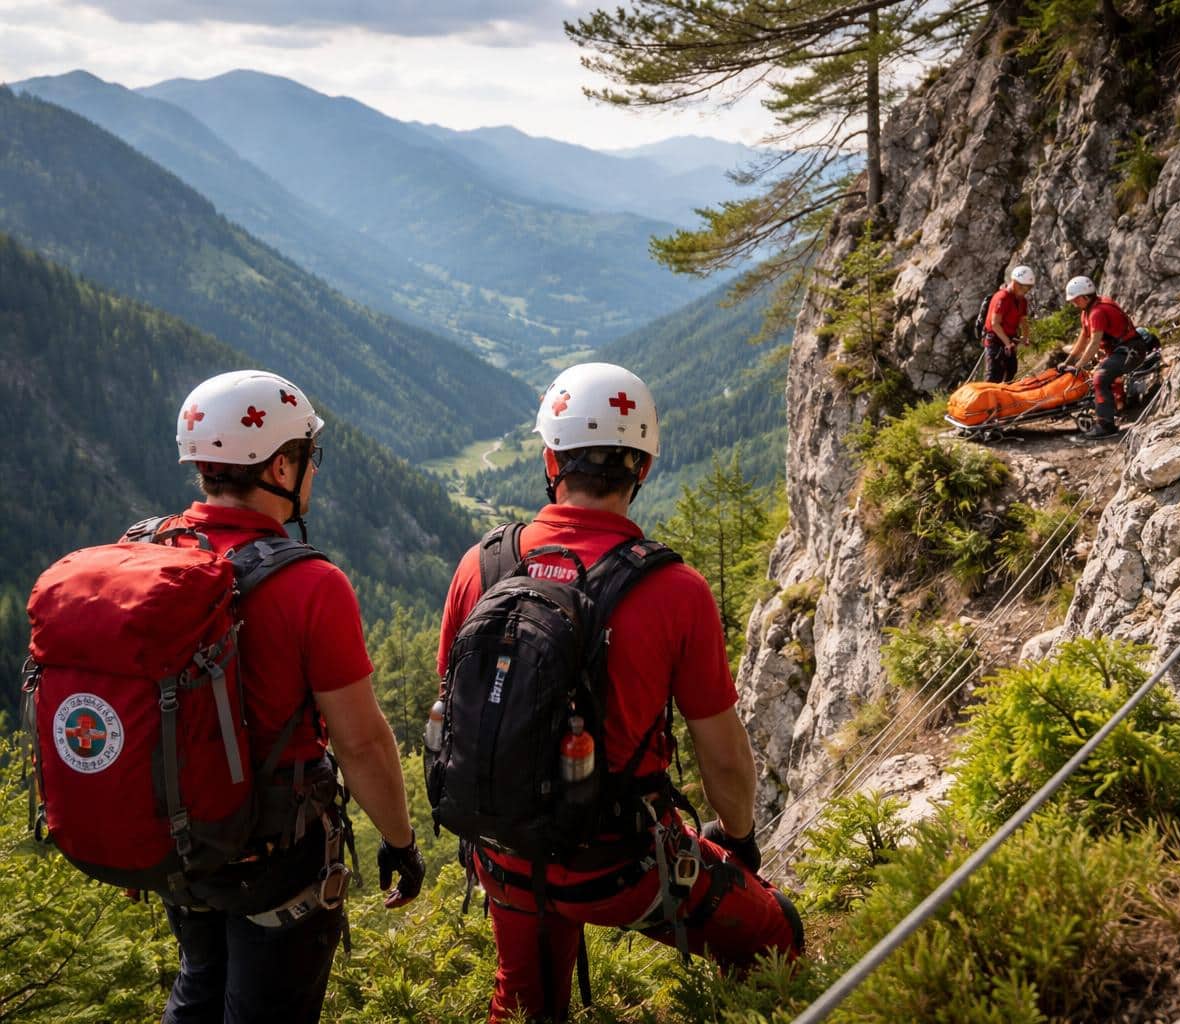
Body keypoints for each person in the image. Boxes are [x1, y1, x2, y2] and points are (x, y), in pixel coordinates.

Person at [436, 362, 803, 1023]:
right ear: (644, 467)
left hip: (506, 856)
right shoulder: (674, 591)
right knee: (775, 934)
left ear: (551, 459)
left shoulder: (480, 566)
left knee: (522, 1002)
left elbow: (457, 709)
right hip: (619, 866)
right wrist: (739, 839)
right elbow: (723, 758)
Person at [162, 370, 425, 1024]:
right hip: (277, 856)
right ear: (281, 465)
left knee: (198, 987)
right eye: (311, 456)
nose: (313, 471)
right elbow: (361, 744)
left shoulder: (153, 551)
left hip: (181, 846)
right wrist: (399, 841)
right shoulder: (311, 584)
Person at [1059, 275, 1147, 438]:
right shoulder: (1087, 312)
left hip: (1131, 351)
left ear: (1085, 297)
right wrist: (1068, 362)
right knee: (1103, 372)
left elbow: (1094, 343)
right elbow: (1083, 340)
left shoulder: (1097, 312)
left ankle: (1105, 425)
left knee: (1100, 377)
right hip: (1121, 351)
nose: (1074, 303)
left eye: (1075, 300)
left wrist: (1078, 366)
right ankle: (1117, 408)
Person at [982, 265, 1035, 383]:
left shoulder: (1022, 301)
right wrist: (1007, 343)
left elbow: (1023, 321)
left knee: (1011, 370)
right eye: (1025, 288)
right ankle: (988, 394)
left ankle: (1004, 393)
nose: (1026, 291)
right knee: (994, 374)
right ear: (1015, 283)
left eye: (1028, 288)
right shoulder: (1002, 298)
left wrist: (1025, 337)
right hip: (995, 341)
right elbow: (995, 324)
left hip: (1009, 340)